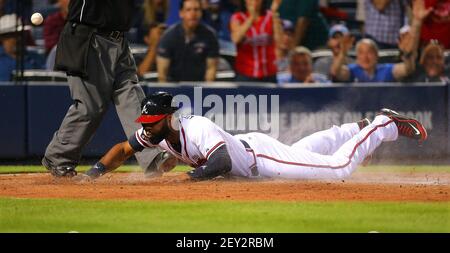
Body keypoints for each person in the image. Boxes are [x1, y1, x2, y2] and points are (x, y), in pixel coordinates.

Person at [75, 91, 427, 181]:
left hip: (259, 159)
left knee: (337, 170)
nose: (146, 125)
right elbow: (123, 149)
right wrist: (94, 174)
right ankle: (358, 129)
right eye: (146, 121)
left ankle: (384, 124)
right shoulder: (157, 133)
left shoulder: (195, 126)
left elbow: (221, 161)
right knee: (304, 151)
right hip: (254, 149)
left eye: (152, 120)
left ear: (169, 117)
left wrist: (186, 179)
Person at [42, 0, 173, 178]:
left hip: (119, 40)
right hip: (88, 37)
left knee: (132, 98)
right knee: (90, 107)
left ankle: (152, 156)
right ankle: (58, 157)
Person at [156, 0, 219, 82]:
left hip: (200, 89)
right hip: (173, 89)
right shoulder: (168, 36)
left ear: (201, 13)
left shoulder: (210, 36)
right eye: (188, 10)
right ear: (181, 13)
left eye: (196, 9)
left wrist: (205, 92)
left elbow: (211, 70)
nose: (193, 14)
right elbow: (162, 75)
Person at [230, 0, 283, 83]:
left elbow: (280, 43)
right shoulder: (237, 17)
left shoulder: (270, 16)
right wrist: (251, 18)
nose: (254, 1)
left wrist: (274, 15)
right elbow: (236, 39)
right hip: (245, 73)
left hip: (268, 73)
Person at [0, 14, 45, 81]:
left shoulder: (36, 58)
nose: (18, 38)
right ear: (2, 38)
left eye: (20, 34)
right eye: (13, 35)